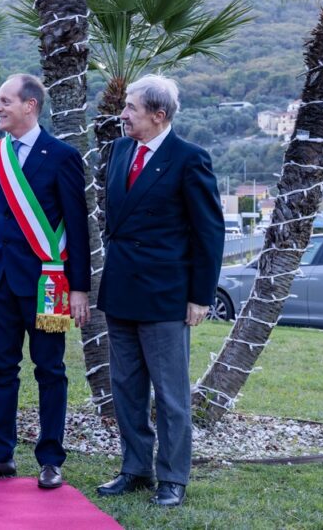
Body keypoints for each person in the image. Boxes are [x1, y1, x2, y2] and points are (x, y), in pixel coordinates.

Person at [0, 74, 90, 490]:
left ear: (29, 105)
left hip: (46, 284)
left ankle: (50, 459)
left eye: (4, 101)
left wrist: (80, 288)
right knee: (1, 368)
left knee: (50, 370)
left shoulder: (63, 155)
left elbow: (78, 226)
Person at [96, 75, 224, 507]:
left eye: (131, 108)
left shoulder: (189, 159)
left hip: (166, 296)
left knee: (170, 395)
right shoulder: (117, 152)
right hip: (121, 292)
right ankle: (134, 469)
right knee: (126, 389)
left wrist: (200, 296)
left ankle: (172, 478)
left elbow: (209, 233)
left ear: (158, 115)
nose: (123, 114)